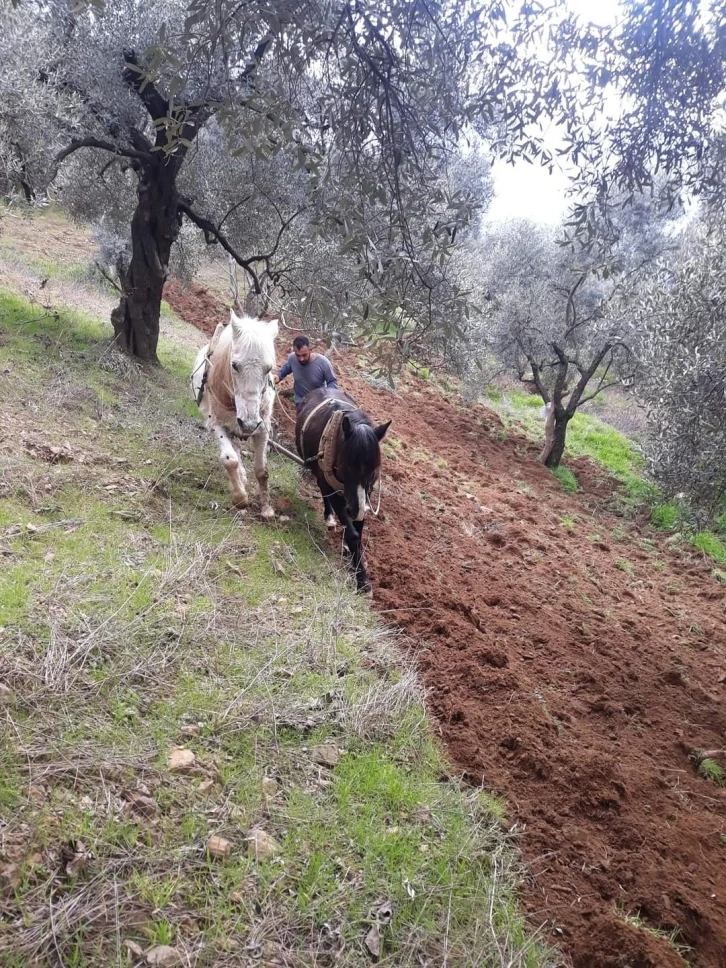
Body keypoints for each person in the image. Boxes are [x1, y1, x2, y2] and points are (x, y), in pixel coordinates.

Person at [273, 335, 338, 406]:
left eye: (304, 355)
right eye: (298, 355)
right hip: (300, 401)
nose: (301, 359)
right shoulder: (292, 358)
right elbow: (284, 371)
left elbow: (332, 381)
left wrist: (328, 397)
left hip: (319, 403)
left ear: (310, 349)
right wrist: (277, 377)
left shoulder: (323, 363)